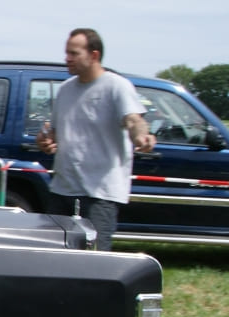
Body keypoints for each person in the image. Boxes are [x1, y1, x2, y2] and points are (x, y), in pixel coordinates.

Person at [35, 28, 154, 250]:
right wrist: (45, 141)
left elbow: (133, 120)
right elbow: (55, 133)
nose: (67, 59)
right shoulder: (65, 90)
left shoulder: (116, 86)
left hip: (100, 195)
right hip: (62, 189)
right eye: (66, 53)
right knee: (52, 255)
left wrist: (141, 137)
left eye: (74, 53)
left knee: (93, 259)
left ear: (94, 55)